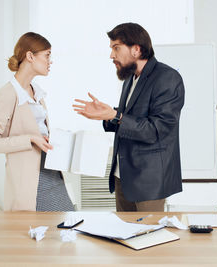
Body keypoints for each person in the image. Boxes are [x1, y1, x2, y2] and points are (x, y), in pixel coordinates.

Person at [73, 23, 185, 211]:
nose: (111, 55)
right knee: (124, 237)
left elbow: (156, 130)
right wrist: (107, 115)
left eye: (116, 48)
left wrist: (115, 115)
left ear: (136, 49)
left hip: (149, 182)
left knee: (148, 238)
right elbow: (131, 117)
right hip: (122, 176)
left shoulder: (168, 78)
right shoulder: (129, 79)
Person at [0, 32, 75, 212]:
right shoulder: (8, 94)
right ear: (30, 56)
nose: (51, 61)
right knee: (45, 232)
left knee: (66, 226)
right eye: (47, 55)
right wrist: (29, 139)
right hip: (30, 181)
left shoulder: (36, 93)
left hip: (51, 172)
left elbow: (37, 130)